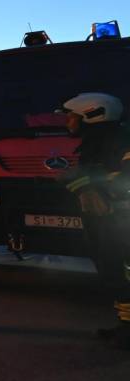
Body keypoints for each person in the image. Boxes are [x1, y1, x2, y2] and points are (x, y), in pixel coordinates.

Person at [59, 93, 130, 349]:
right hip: (109, 218)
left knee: (122, 268)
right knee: (112, 268)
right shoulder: (94, 143)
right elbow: (85, 176)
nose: (67, 121)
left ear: (92, 114)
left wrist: (90, 183)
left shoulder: (120, 140)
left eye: (71, 116)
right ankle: (126, 324)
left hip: (122, 216)